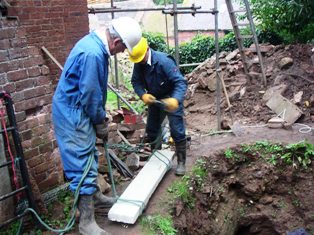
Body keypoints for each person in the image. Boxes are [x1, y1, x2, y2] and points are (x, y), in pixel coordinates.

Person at [52, 17, 142, 235]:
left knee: (89, 155)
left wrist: (98, 118)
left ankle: (95, 197)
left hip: (78, 109)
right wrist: (99, 121)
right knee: (81, 163)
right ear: (117, 41)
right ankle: (86, 223)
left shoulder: (95, 46)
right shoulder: (93, 54)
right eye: (122, 49)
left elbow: (95, 91)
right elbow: (91, 94)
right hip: (73, 113)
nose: (121, 53)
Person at [128, 37, 188, 176]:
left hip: (171, 96)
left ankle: (181, 162)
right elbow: (136, 82)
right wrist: (142, 94)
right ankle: (157, 158)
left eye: (141, 59)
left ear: (147, 50)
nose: (140, 62)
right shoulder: (139, 62)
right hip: (154, 98)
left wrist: (176, 99)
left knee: (177, 129)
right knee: (152, 129)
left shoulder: (164, 61)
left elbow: (180, 82)